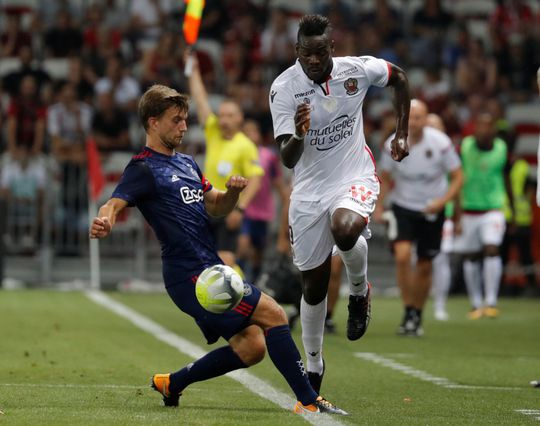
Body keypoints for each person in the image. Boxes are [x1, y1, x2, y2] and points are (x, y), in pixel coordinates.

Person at [89, 84, 347, 416]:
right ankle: (309, 400)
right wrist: (105, 220)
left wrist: (233, 194)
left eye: (185, 120)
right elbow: (114, 203)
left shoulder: (187, 163)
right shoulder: (143, 168)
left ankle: (173, 382)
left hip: (209, 269)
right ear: (153, 122)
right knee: (275, 315)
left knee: (252, 347)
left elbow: (216, 207)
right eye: (176, 120)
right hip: (190, 276)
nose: (184, 127)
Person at [269, 14, 411, 392]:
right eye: (305, 54)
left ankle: (360, 292)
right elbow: (287, 157)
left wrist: (401, 132)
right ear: (296, 52)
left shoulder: (357, 70)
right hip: (309, 191)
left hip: (353, 177)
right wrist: (299, 133)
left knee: (346, 227)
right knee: (313, 289)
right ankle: (314, 366)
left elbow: (399, 78)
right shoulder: (283, 88)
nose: (312, 60)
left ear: (331, 48)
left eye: (319, 52)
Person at [374, 100, 463, 336]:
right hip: (402, 206)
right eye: (410, 117)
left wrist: (442, 203)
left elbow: (458, 176)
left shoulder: (440, 143)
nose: (414, 122)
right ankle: (407, 309)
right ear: (402, 117)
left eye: (419, 117)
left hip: (431, 209)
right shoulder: (392, 143)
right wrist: (379, 205)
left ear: (426, 119)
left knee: (424, 264)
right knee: (402, 256)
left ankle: (416, 314)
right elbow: (383, 175)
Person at [187, 52, 263, 268]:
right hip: (206, 205)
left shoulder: (245, 145)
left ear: (240, 118)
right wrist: (193, 71)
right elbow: (200, 100)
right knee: (202, 259)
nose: (224, 120)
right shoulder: (213, 133)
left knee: (226, 259)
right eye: (221, 115)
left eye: (230, 115)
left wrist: (240, 209)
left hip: (228, 209)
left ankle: (240, 297)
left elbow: (255, 180)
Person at [453, 112, 512, 319]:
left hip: (494, 208)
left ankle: (491, 301)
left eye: (488, 126)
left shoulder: (502, 148)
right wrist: (456, 215)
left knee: (492, 248)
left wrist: (510, 206)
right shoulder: (466, 146)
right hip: (469, 209)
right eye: (479, 125)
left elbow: (506, 177)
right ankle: (476, 302)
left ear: (494, 129)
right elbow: (457, 179)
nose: (483, 130)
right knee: (471, 255)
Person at [236, 119, 289, 283]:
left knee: (259, 249)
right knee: (243, 245)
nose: (251, 135)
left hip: (263, 210)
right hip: (244, 207)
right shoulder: (239, 152)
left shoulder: (268, 156)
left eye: (253, 131)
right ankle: (239, 279)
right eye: (247, 132)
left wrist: (286, 199)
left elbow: (277, 181)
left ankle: (254, 282)